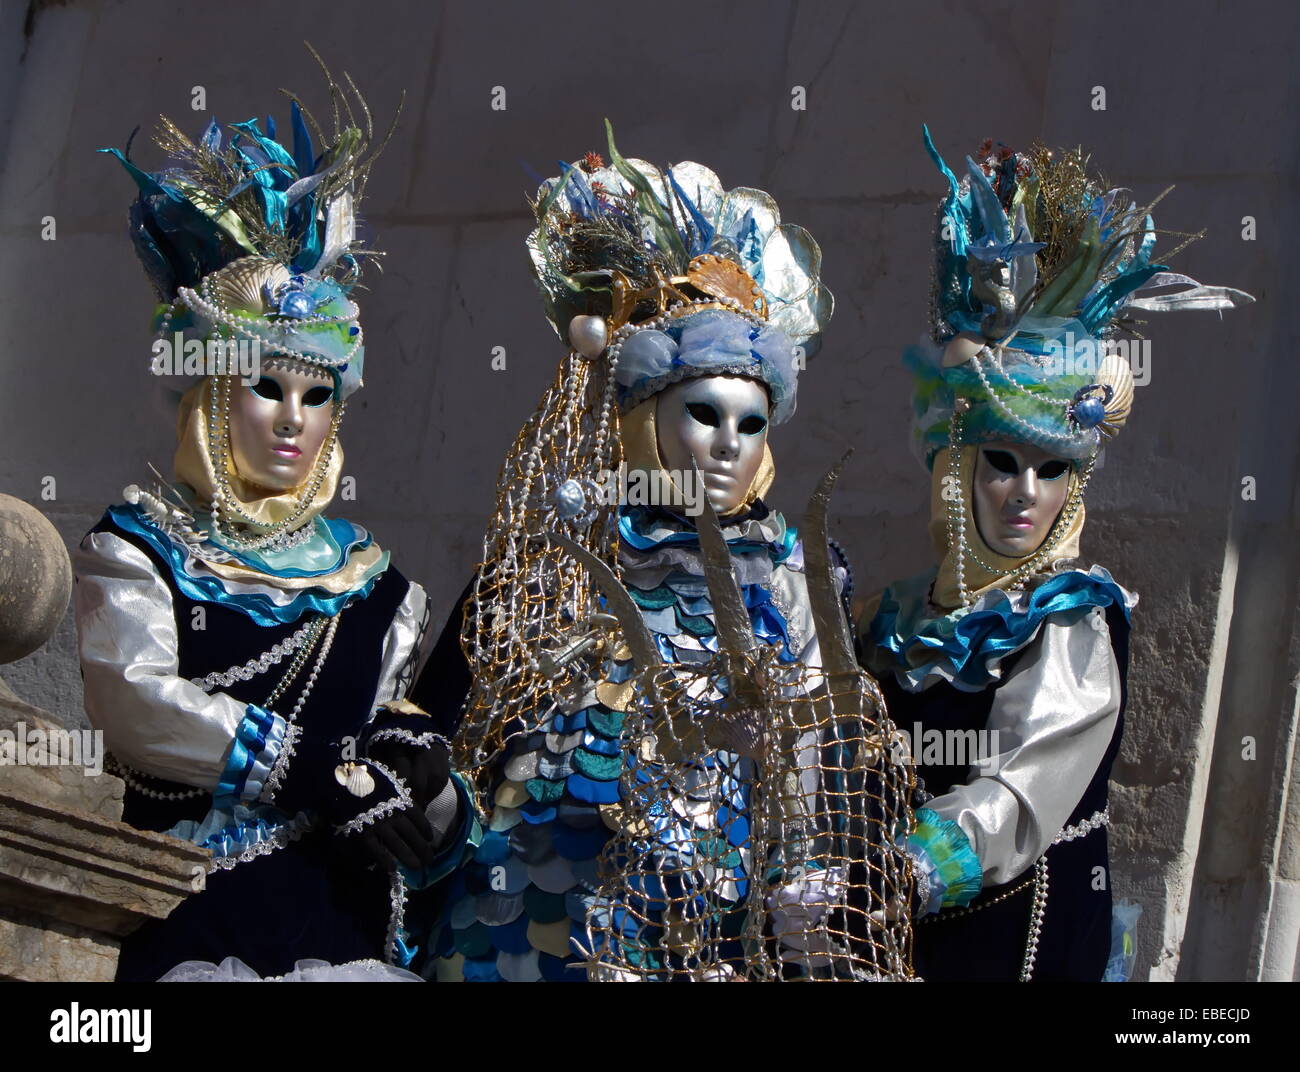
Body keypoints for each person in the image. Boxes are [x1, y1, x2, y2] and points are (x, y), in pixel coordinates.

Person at [409, 128, 912, 981]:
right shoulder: (551, 555)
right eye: (702, 414)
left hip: (689, 934)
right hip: (516, 924)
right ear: (645, 414)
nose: (726, 445)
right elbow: (454, 742)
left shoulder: (793, 575)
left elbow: (813, 779)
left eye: (750, 424)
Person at [74, 70, 467, 981]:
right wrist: (301, 767)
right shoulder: (136, 551)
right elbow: (135, 705)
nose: (294, 419)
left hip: (341, 929)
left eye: (317, 393)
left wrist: (429, 787)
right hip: (183, 924)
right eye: (266, 387)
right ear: (212, 393)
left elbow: (420, 810)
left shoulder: (379, 590)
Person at [859, 128, 1253, 981]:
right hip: (899, 942)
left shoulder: (1070, 619)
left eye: (1051, 471)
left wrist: (904, 865)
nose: (1024, 494)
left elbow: (1023, 787)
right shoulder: (899, 620)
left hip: (1019, 946)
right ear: (956, 470)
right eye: (1000, 463)